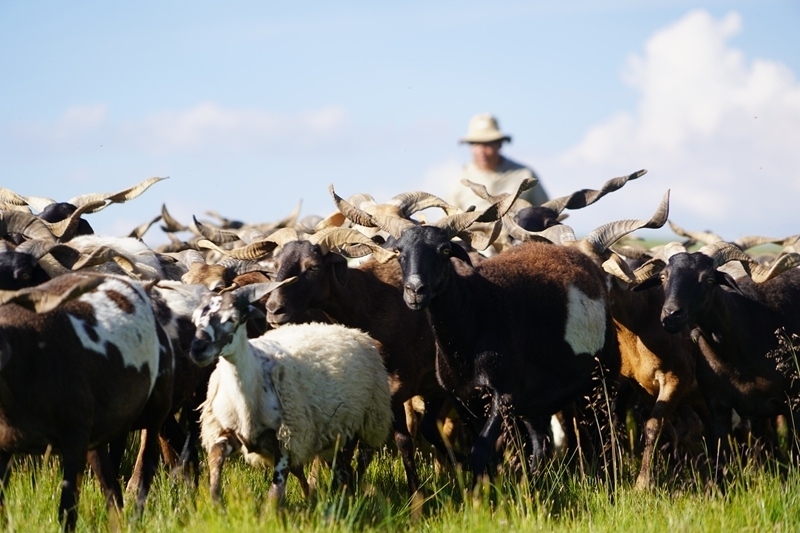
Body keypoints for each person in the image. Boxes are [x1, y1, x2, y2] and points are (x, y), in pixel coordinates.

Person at [450, 113, 549, 212]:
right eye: (476, 144)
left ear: (500, 144)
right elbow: (449, 218)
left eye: (487, 144)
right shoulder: (460, 180)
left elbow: (547, 212)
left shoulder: (524, 175)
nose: (481, 151)